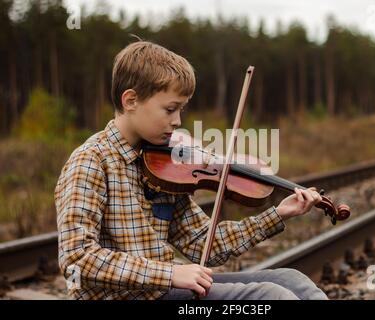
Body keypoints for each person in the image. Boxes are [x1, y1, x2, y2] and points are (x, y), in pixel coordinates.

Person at [55, 40, 327, 300]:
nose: (178, 121)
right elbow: (76, 258)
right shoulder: (91, 161)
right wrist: (170, 273)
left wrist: (278, 214)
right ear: (130, 101)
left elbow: (204, 243)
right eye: (170, 109)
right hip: (127, 296)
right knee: (271, 297)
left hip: (162, 291)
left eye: (181, 110)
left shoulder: (164, 165)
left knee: (292, 281)